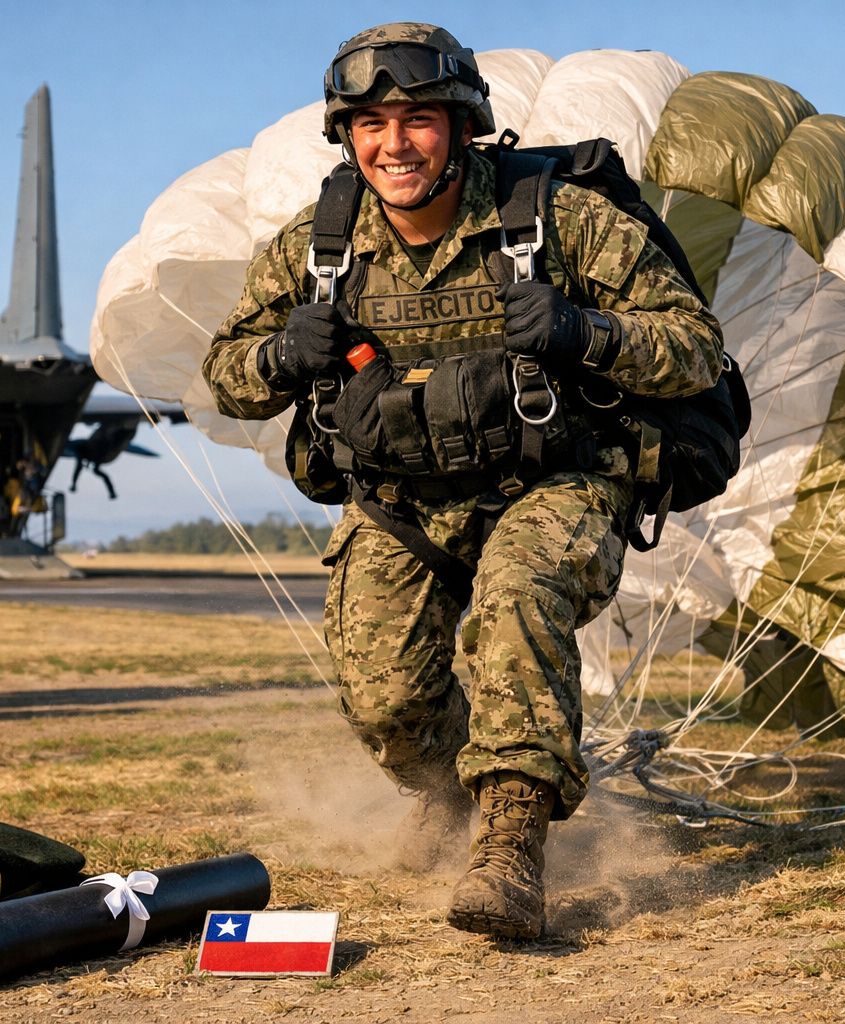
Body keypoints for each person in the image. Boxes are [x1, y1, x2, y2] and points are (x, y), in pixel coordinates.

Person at [202, 23, 723, 939]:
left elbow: (696, 352)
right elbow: (225, 377)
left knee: (518, 599)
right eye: (370, 123)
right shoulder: (318, 247)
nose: (393, 144)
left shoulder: (556, 218)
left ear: (463, 125)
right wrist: (283, 353)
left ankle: (512, 847)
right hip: (403, 504)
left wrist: (585, 334)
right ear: (346, 134)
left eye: (417, 120)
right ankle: (451, 795)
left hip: (551, 483)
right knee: (387, 698)